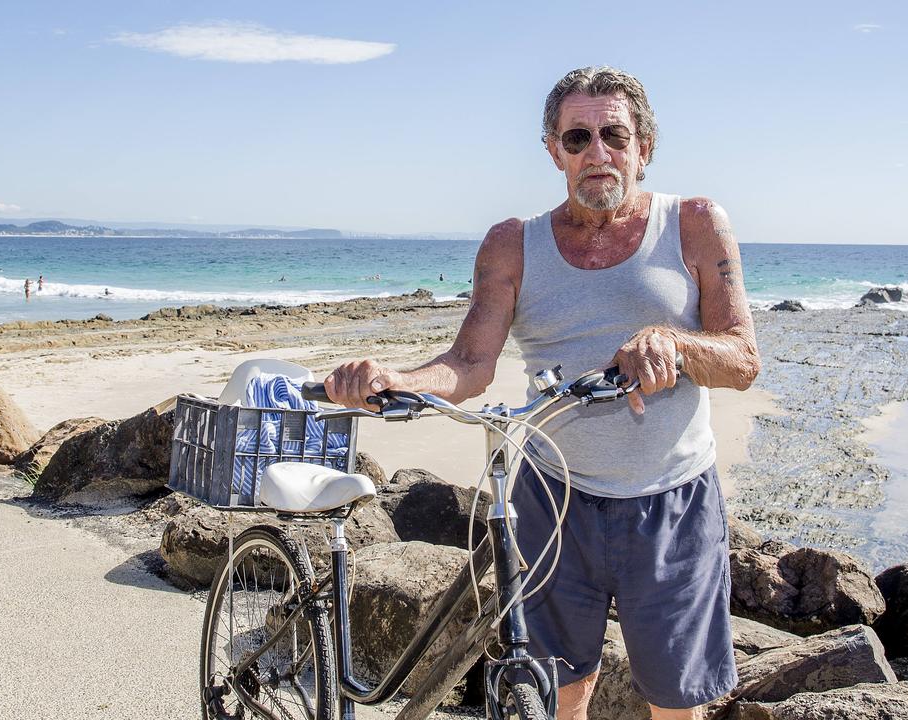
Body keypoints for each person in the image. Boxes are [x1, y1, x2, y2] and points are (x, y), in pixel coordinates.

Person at [323, 66, 759, 719]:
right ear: (554, 151)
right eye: (578, 138)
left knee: (675, 704)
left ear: (644, 145)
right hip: (554, 497)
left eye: (614, 134)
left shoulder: (694, 223)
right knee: (562, 693)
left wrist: (676, 344)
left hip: (672, 499)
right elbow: (470, 363)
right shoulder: (511, 245)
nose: (597, 152)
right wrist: (399, 380)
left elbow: (743, 358)